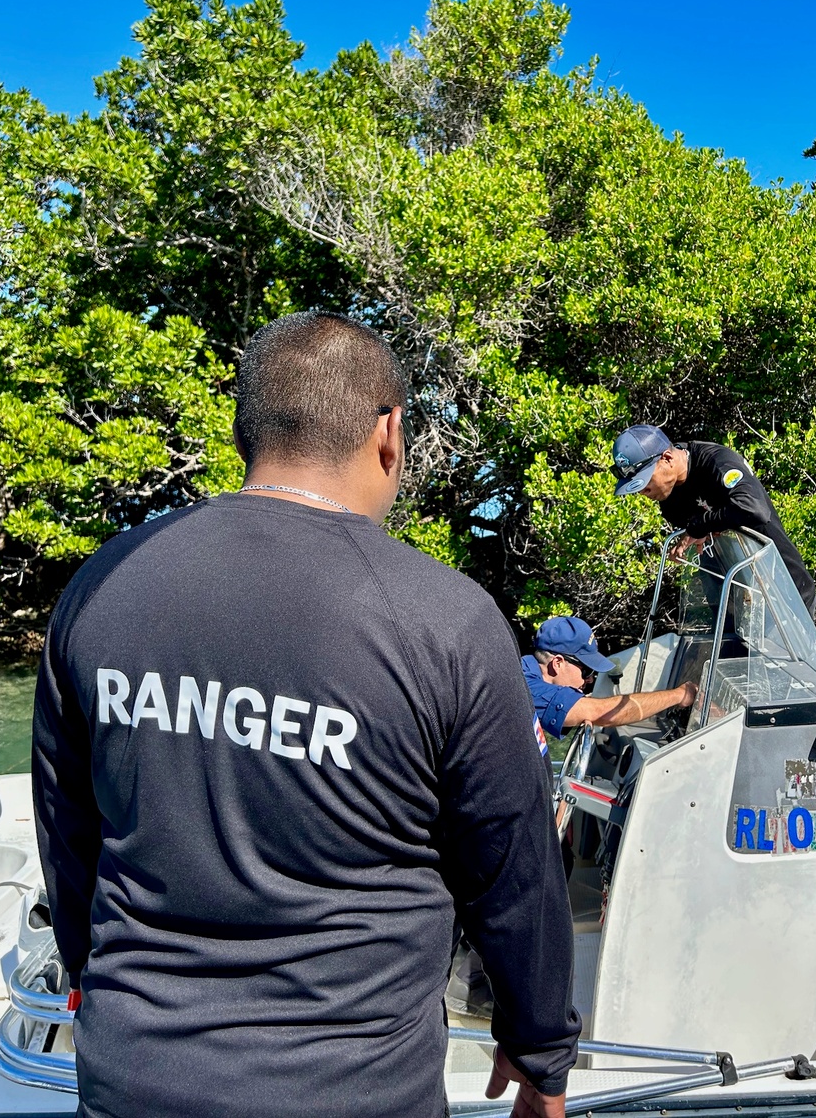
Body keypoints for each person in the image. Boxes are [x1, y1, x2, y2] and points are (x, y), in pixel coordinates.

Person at [32, 311, 580, 1118]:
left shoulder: (103, 584)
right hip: (355, 1095)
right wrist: (540, 1053)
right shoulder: (448, 621)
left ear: (243, 428)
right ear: (389, 432)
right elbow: (515, 876)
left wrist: (94, 988)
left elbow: (67, 834)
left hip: (133, 1080)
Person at [611, 424, 816, 616]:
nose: (643, 492)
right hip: (734, 599)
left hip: (787, 592)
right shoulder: (669, 494)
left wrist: (698, 527)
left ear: (667, 458)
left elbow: (754, 509)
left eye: (645, 481)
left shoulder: (717, 462)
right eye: (636, 487)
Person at [522, 615, 696, 739]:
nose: (590, 680)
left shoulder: (526, 672)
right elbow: (603, 714)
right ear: (557, 663)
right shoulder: (526, 689)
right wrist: (680, 695)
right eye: (587, 671)